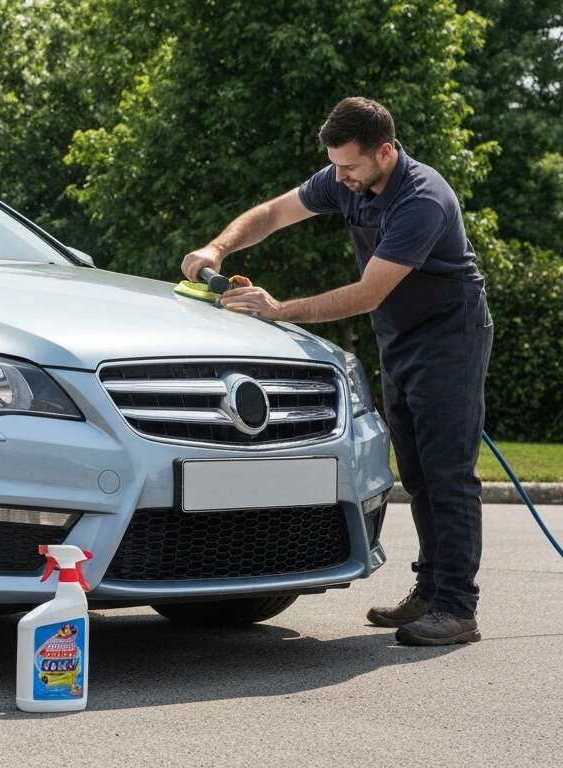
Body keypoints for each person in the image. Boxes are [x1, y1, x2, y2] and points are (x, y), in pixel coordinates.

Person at [180, 97, 493, 646]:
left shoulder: (422, 200)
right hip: (401, 336)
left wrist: (279, 311)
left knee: (447, 473)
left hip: (451, 339)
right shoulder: (346, 177)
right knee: (416, 474)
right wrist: (218, 246)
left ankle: (457, 607)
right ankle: (429, 589)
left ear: (386, 152)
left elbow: (368, 293)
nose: (339, 177)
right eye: (335, 165)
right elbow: (274, 213)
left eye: (349, 166)